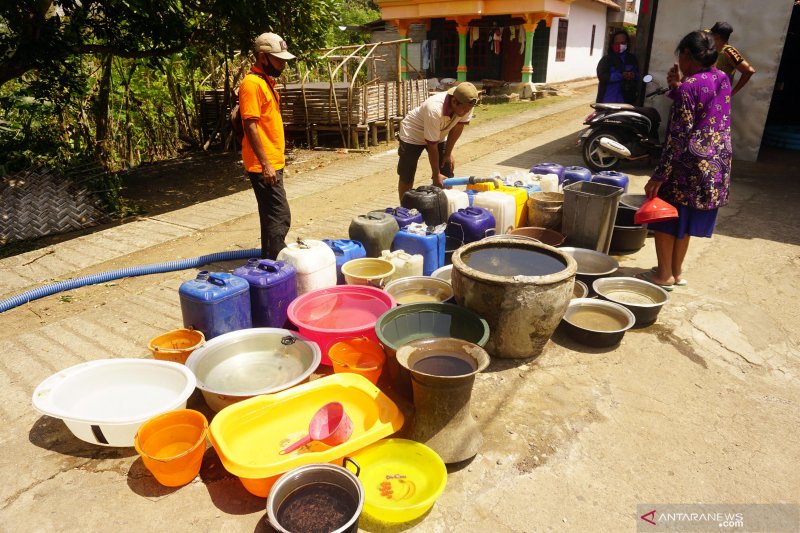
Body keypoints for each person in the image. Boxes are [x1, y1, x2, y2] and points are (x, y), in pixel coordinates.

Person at [638, 30, 732, 290]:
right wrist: (675, 88)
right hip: (715, 165)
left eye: (680, 55)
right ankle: (676, 273)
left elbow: (677, 138)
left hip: (687, 165)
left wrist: (659, 175)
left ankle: (663, 275)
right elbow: (706, 109)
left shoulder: (689, 86)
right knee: (685, 219)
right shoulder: (722, 79)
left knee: (666, 217)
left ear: (688, 54)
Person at [239, 32, 295, 259]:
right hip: (264, 164)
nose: (282, 64)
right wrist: (266, 164)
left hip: (272, 161)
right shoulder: (251, 84)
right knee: (280, 216)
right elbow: (250, 125)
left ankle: (268, 261)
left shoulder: (265, 82)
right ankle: (276, 264)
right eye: (278, 59)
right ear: (263, 57)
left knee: (271, 216)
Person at [396, 82, 479, 202]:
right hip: (412, 134)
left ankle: (445, 204)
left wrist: (448, 153)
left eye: (469, 109)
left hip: (438, 133)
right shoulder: (434, 108)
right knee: (407, 173)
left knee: (446, 170)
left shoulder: (467, 103)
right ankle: (404, 208)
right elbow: (432, 145)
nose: (467, 111)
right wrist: (436, 175)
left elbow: (457, 128)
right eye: (465, 109)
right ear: (454, 101)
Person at [708, 21, 755, 97]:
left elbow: (749, 71)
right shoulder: (714, 49)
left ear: (717, 36)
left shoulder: (728, 51)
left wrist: (731, 93)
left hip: (718, 99)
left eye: (711, 35)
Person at [596, 30, 640, 104]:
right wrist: (621, 76)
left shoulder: (632, 59)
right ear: (612, 44)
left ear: (627, 43)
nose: (620, 45)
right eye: (617, 43)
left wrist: (633, 75)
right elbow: (602, 76)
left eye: (623, 43)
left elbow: (638, 75)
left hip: (626, 101)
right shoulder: (606, 59)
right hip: (608, 100)